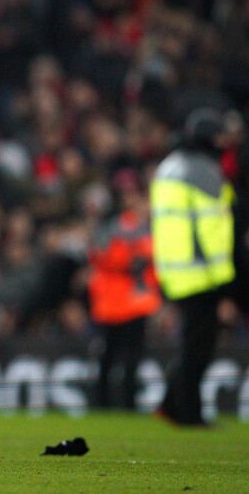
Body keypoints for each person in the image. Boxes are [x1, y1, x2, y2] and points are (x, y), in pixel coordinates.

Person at [150, 108, 235, 426]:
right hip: (200, 273)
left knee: (191, 344)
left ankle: (171, 404)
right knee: (199, 348)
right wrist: (223, 281)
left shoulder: (169, 167)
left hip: (172, 270)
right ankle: (188, 414)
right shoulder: (204, 171)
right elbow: (211, 231)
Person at [87, 168, 162, 410]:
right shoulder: (123, 227)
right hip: (122, 301)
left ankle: (109, 403)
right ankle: (113, 403)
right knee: (121, 356)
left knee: (120, 356)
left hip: (128, 301)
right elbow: (102, 257)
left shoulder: (134, 227)